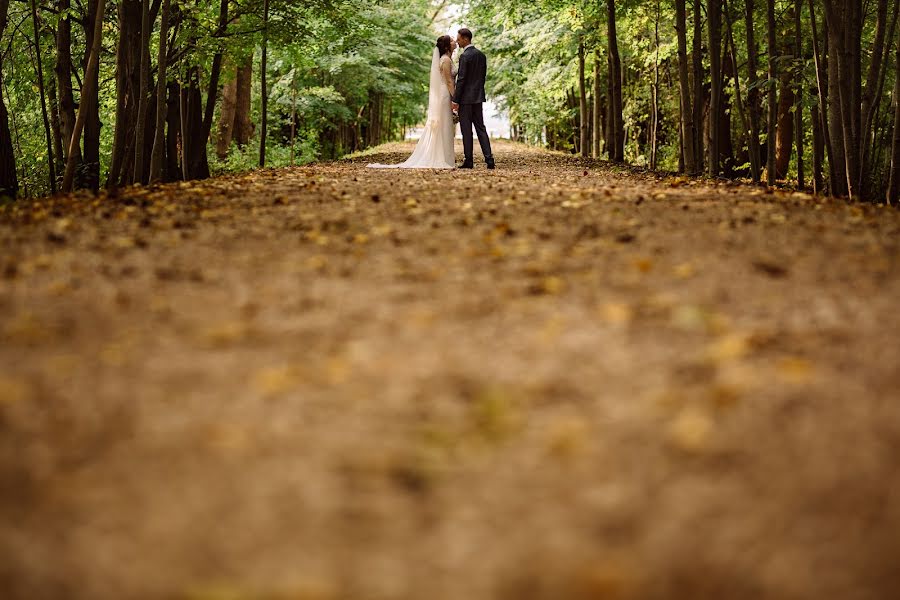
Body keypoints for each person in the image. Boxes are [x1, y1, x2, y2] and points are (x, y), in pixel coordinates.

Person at [367, 35, 457, 169]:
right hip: (446, 94)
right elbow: (449, 81)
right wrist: (455, 99)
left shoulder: (447, 59)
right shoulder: (445, 60)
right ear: (446, 46)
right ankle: (443, 158)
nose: (454, 41)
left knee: (445, 125)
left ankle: (446, 158)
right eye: (451, 40)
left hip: (444, 93)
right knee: (445, 126)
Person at [452, 28, 495, 170]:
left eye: (459, 39)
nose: (457, 41)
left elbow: (462, 79)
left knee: (467, 131)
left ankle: (469, 161)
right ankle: (489, 160)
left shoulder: (465, 56)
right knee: (481, 128)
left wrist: (455, 100)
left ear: (465, 39)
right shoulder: (481, 56)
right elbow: (482, 78)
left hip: (465, 100)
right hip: (477, 98)